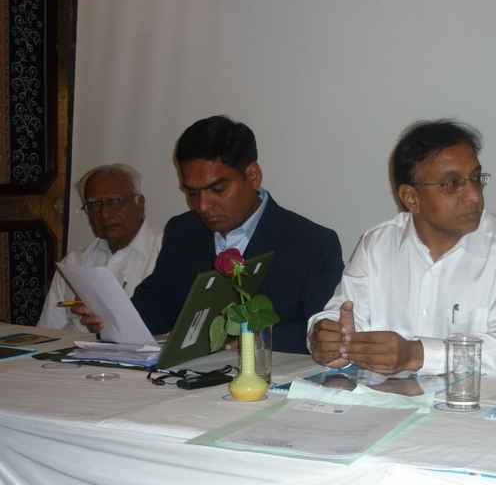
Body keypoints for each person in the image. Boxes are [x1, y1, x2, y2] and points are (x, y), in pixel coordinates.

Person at [77, 115, 344, 353]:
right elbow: (157, 307)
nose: (203, 206)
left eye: (217, 189)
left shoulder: (312, 243)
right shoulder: (183, 231)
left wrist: (256, 339)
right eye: (192, 193)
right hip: (187, 382)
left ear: (252, 175)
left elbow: (323, 332)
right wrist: (113, 317)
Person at [308, 119, 496, 377]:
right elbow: (344, 316)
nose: (474, 196)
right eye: (452, 183)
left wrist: (417, 354)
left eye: (476, 178)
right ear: (411, 198)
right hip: (385, 399)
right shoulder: (377, 245)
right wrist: (327, 336)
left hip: (472, 402)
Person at [38, 164, 163, 332]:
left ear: (139, 203)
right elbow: (47, 333)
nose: (104, 214)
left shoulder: (167, 253)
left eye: (114, 202)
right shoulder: (73, 264)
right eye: (94, 205)